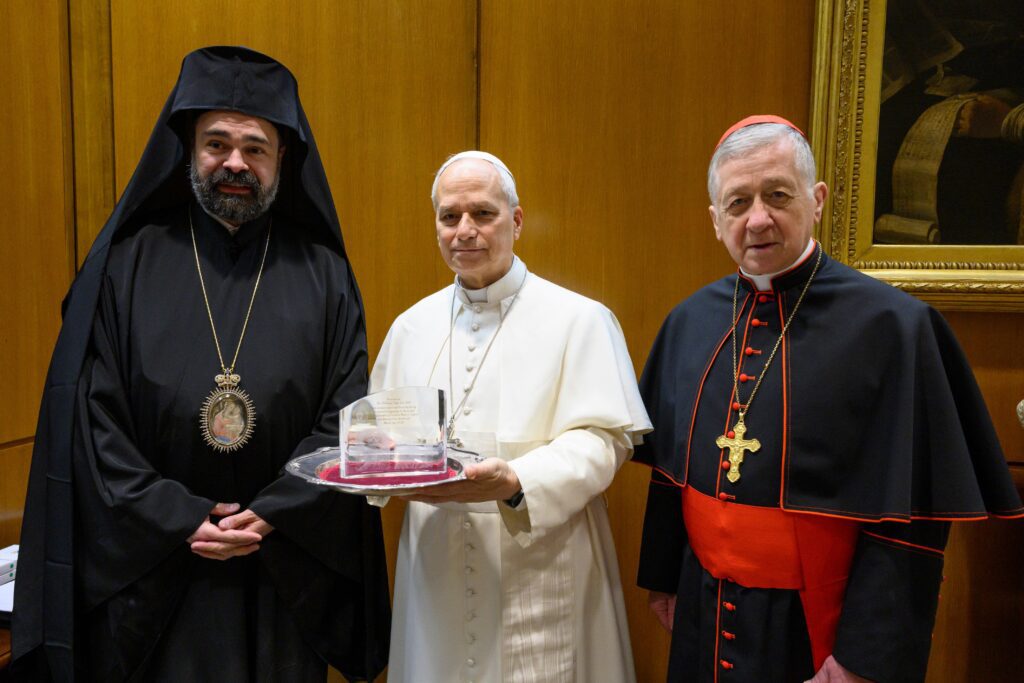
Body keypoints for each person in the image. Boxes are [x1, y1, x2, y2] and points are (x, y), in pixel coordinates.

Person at [13, 46, 390, 681]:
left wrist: (278, 509)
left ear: (283, 159)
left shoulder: (324, 274)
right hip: (157, 574)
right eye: (217, 143)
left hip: (283, 571)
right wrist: (180, 516)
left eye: (256, 147)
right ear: (188, 149)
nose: (235, 162)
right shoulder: (126, 265)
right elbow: (91, 417)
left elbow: (347, 414)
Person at [634, 115, 1024, 683]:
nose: (758, 218)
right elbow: (670, 473)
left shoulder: (894, 327)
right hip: (704, 604)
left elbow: (909, 521)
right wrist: (665, 579)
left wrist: (866, 658)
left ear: (815, 200)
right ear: (716, 221)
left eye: (777, 195)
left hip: (817, 625)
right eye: (738, 203)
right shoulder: (690, 321)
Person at [369, 151, 652, 682]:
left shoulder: (580, 319)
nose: (464, 231)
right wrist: (375, 457)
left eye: (483, 213)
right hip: (439, 564)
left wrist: (518, 480)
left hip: (543, 552)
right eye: (449, 217)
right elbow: (384, 433)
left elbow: (605, 440)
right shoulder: (411, 327)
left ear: (516, 221)